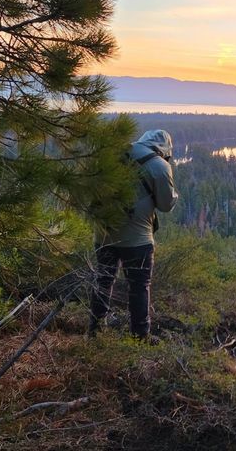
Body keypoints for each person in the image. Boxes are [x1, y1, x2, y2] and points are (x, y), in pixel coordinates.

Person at [89, 129, 178, 340]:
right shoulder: (159, 166)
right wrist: (175, 195)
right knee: (139, 287)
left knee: (103, 281)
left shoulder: (112, 155)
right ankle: (139, 338)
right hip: (138, 239)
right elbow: (166, 205)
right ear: (164, 149)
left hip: (103, 235)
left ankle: (94, 331)